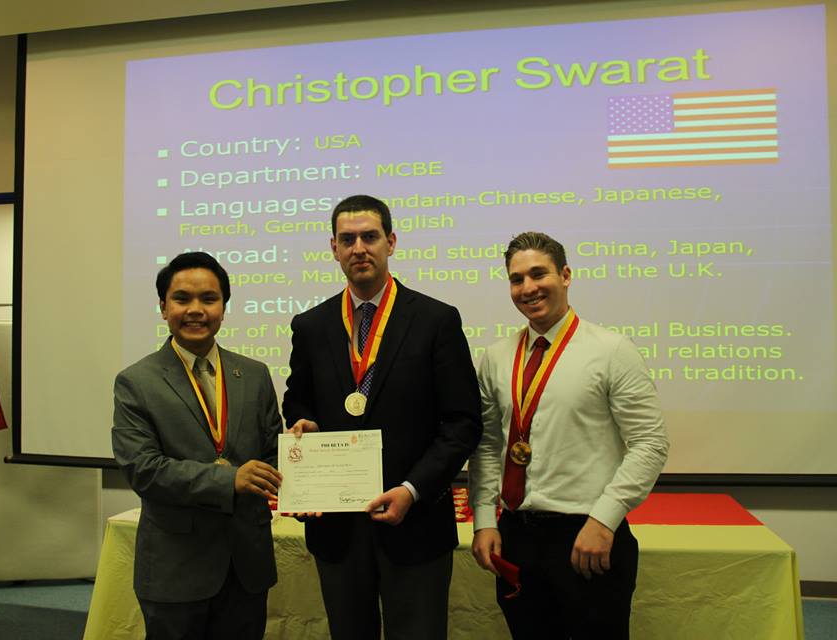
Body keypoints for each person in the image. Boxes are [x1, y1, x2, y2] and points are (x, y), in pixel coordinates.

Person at [282, 194, 482, 640]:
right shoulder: (310, 326)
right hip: (337, 529)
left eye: (369, 237)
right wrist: (304, 425)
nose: (359, 248)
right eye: (347, 239)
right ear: (333, 248)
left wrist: (413, 490)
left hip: (416, 525)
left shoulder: (436, 320)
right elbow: (297, 402)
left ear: (390, 242)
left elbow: (463, 422)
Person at [469, 231, 669, 639]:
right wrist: (485, 520)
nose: (528, 288)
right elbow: (488, 445)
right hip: (516, 537)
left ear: (565, 275)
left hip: (588, 536)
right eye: (516, 279)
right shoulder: (496, 357)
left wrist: (604, 520)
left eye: (538, 274)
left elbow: (650, 443)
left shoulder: (612, 350)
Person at [112, 251, 283, 640]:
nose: (195, 310)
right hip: (176, 569)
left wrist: (303, 454)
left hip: (246, 565)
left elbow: (272, 454)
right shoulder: (136, 382)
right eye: (182, 298)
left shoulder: (254, 374)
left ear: (223, 307)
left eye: (208, 299)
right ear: (163, 307)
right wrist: (229, 480)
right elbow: (143, 469)